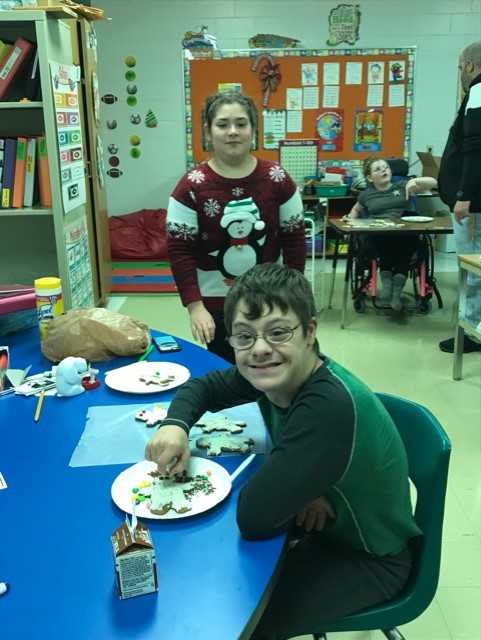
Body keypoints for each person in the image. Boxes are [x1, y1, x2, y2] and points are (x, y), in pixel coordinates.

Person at [145, 263, 421, 639]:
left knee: (233, 622)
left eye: (278, 332)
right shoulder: (278, 371)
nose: (259, 349)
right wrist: (175, 425)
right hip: (327, 531)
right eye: (243, 336)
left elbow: (256, 516)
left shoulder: (325, 405)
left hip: (368, 557)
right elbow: (204, 388)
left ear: (309, 333)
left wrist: (297, 486)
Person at [166, 91, 306, 363]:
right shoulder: (191, 186)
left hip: (273, 300)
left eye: (241, 124)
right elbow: (180, 251)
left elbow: (295, 240)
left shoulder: (277, 179)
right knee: (229, 373)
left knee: (275, 370)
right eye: (223, 124)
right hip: (217, 305)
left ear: (253, 129)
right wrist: (195, 307)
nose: (232, 132)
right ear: (208, 131)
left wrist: (295, 298)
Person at [347, 157, 437, 310]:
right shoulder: (366, 194)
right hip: (379, 234)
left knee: (406, 241)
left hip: (404, 232)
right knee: (381, 240)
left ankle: (395, 293)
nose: (384, 170)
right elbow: (356, 209)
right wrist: (350, 220)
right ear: (370, 177)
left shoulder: (402, 186)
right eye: (378, 169)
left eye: (386, 167)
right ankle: (389, 287)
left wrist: (415, 182)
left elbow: (434, 182)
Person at [438, 41, 481, 354]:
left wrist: (464, 196)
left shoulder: (478, 91)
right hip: (473, 203)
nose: (459, 75)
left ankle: (472, 332)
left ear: (470, 66)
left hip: (473, 208)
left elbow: (475, 148)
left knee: (472, 269)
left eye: (459, 68)